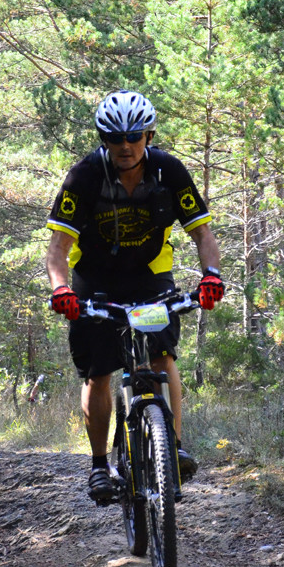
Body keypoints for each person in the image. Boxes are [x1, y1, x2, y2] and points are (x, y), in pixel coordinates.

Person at [46, 90, 224, 504]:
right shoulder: (84, 176)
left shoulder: (168, 170)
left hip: (149, 274)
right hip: (94, 277)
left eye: (134, 137)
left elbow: (202, 233)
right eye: (115, 138)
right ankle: (98, 465)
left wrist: (211, 276)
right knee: (99, 371)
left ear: (148, 136)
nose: (125, 146)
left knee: (162, 356)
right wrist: (61, 289)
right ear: (103, 139)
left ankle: (172, 448)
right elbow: (57, 249)